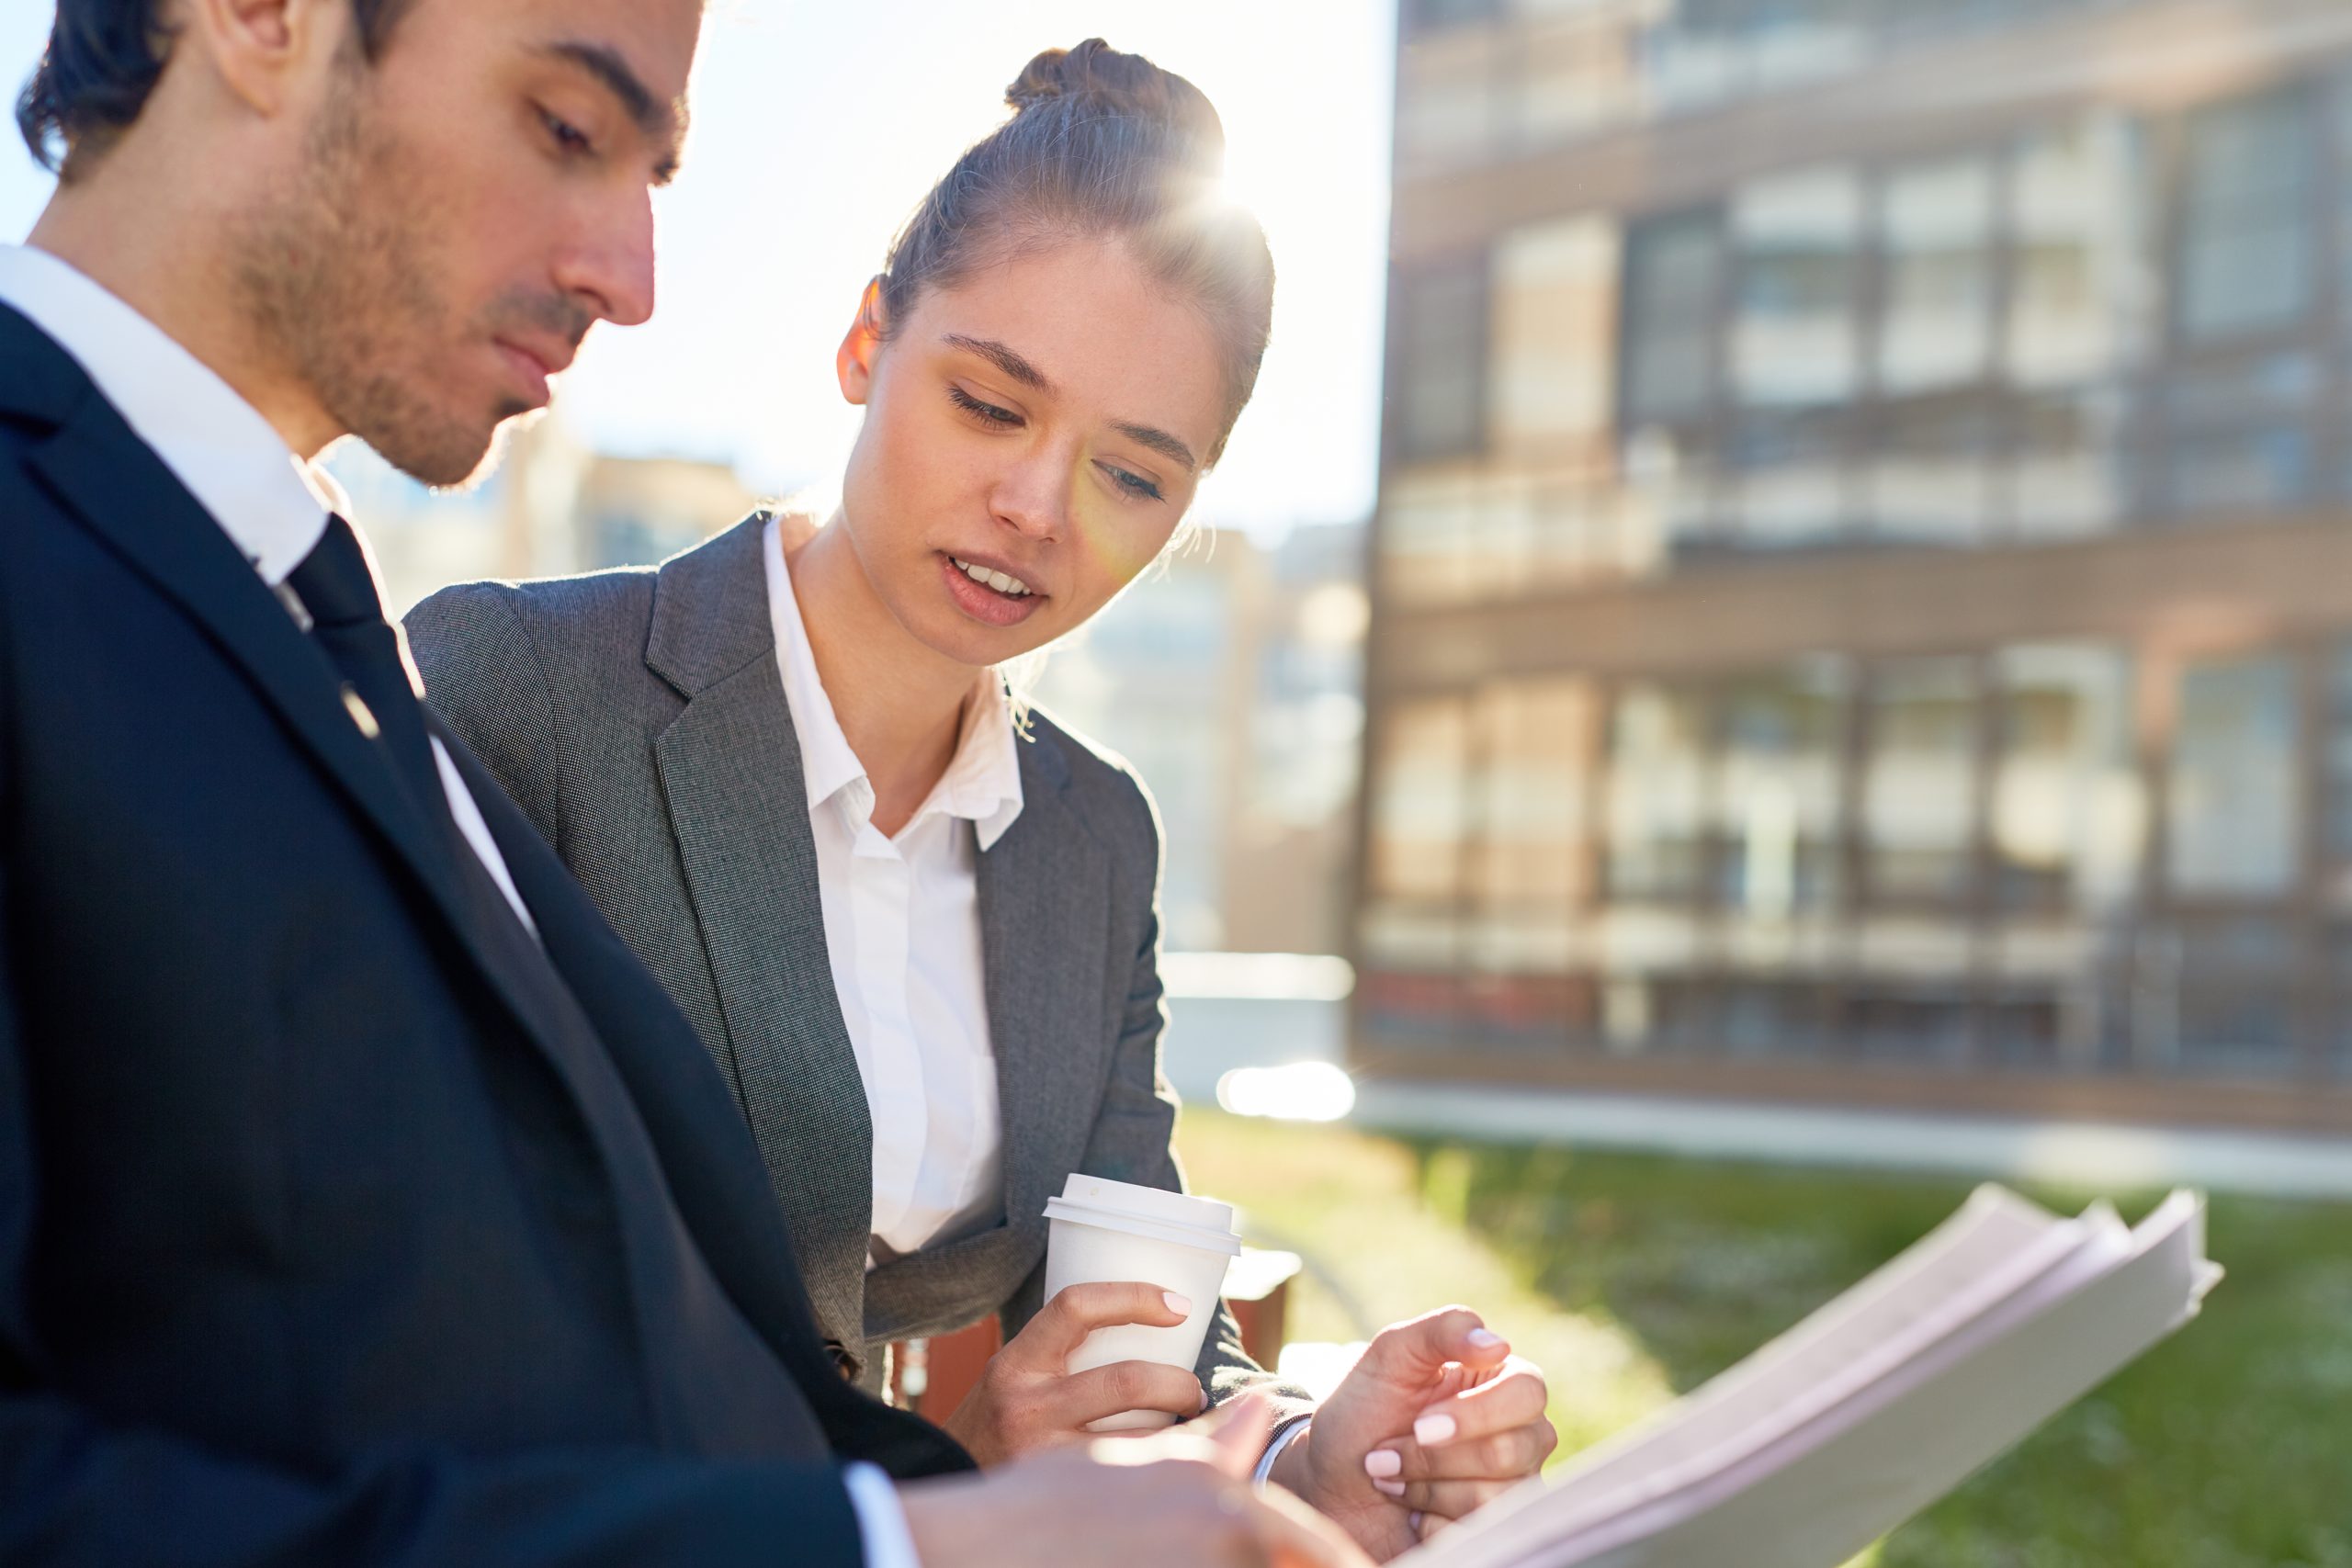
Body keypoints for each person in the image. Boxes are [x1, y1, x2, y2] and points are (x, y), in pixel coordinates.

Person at [0, 3, 1378, 1565]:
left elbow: (578, 1337)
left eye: (1134, 470)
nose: (635, 283)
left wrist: (1250, 1470)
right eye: (568, 130)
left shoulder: (313, 623)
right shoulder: (476, 674)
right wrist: (908, 1547)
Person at [407, 39, 1556, 1561]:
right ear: (866, 344)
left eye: (1132, 478)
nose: (1037, 508)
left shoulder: (1090, 840)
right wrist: (953, 1484)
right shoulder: (520, 694)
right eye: (992, 405)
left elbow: (1133, 1327)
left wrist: (1301, 1448)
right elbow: (418, 1332)